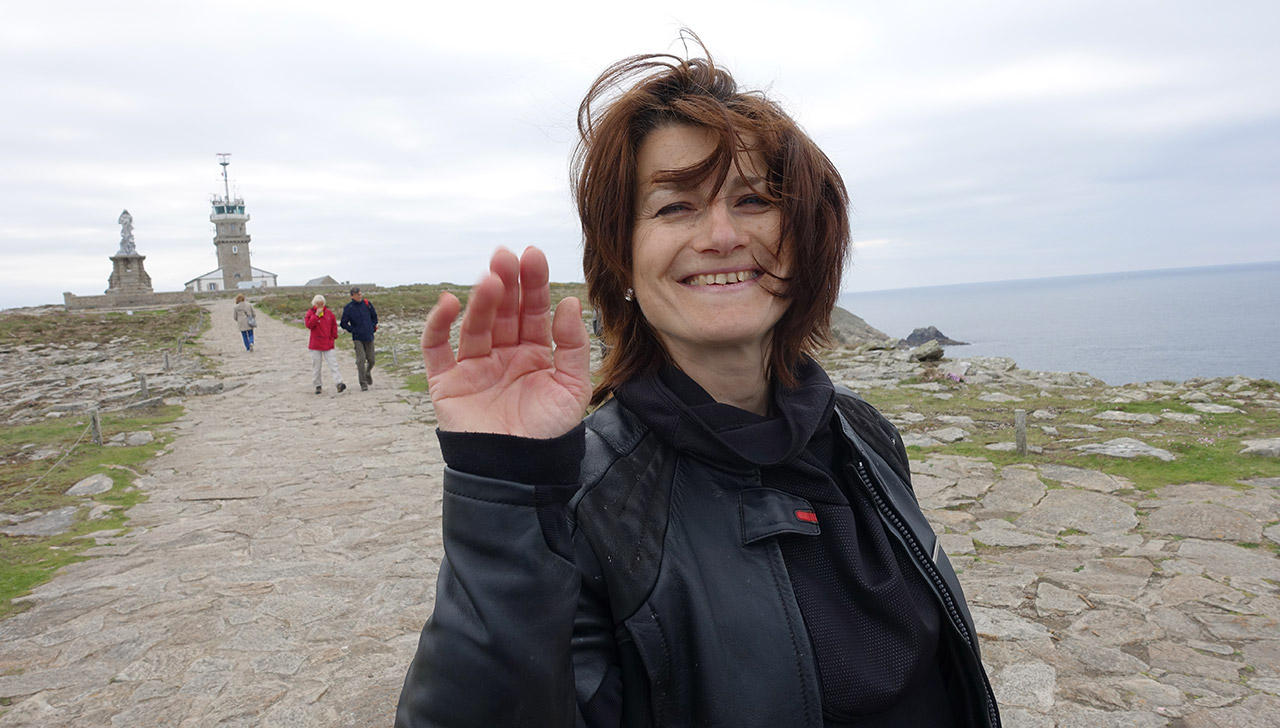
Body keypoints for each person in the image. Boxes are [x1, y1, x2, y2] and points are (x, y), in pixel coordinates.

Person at [395, 40, 1000, 727]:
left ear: (802, 236)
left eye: (752, 200)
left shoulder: (863, 434)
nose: (720, 234)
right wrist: (501, 483)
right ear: (621, 258)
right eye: (675, 206)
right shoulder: (584, 502)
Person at [304, 294, 346, 394]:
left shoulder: (329, 313)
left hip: (328, 343)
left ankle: (339, 383)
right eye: (318, 304)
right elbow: (309, 325)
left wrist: (333, 336)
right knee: (317, 366)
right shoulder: (310, 313)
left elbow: (333, 325)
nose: (320, 306)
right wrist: (316, 315)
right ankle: (317, 385)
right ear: (314, 304)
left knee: (333, 364)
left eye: (322, 304)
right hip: (315, 344)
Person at [340, 286, 378, 391]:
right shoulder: (348, 308)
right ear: (352, 296)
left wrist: (372, 326)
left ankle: (367, 372)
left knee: (371, 360)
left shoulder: (367, 304)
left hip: (369, 335)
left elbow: (374, 317)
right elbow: (343, 323)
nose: (360, 296)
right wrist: (353, 330)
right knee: (361, 360)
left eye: (360, 294)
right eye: (357, 294)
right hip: (357, 338)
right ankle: (363, 383)